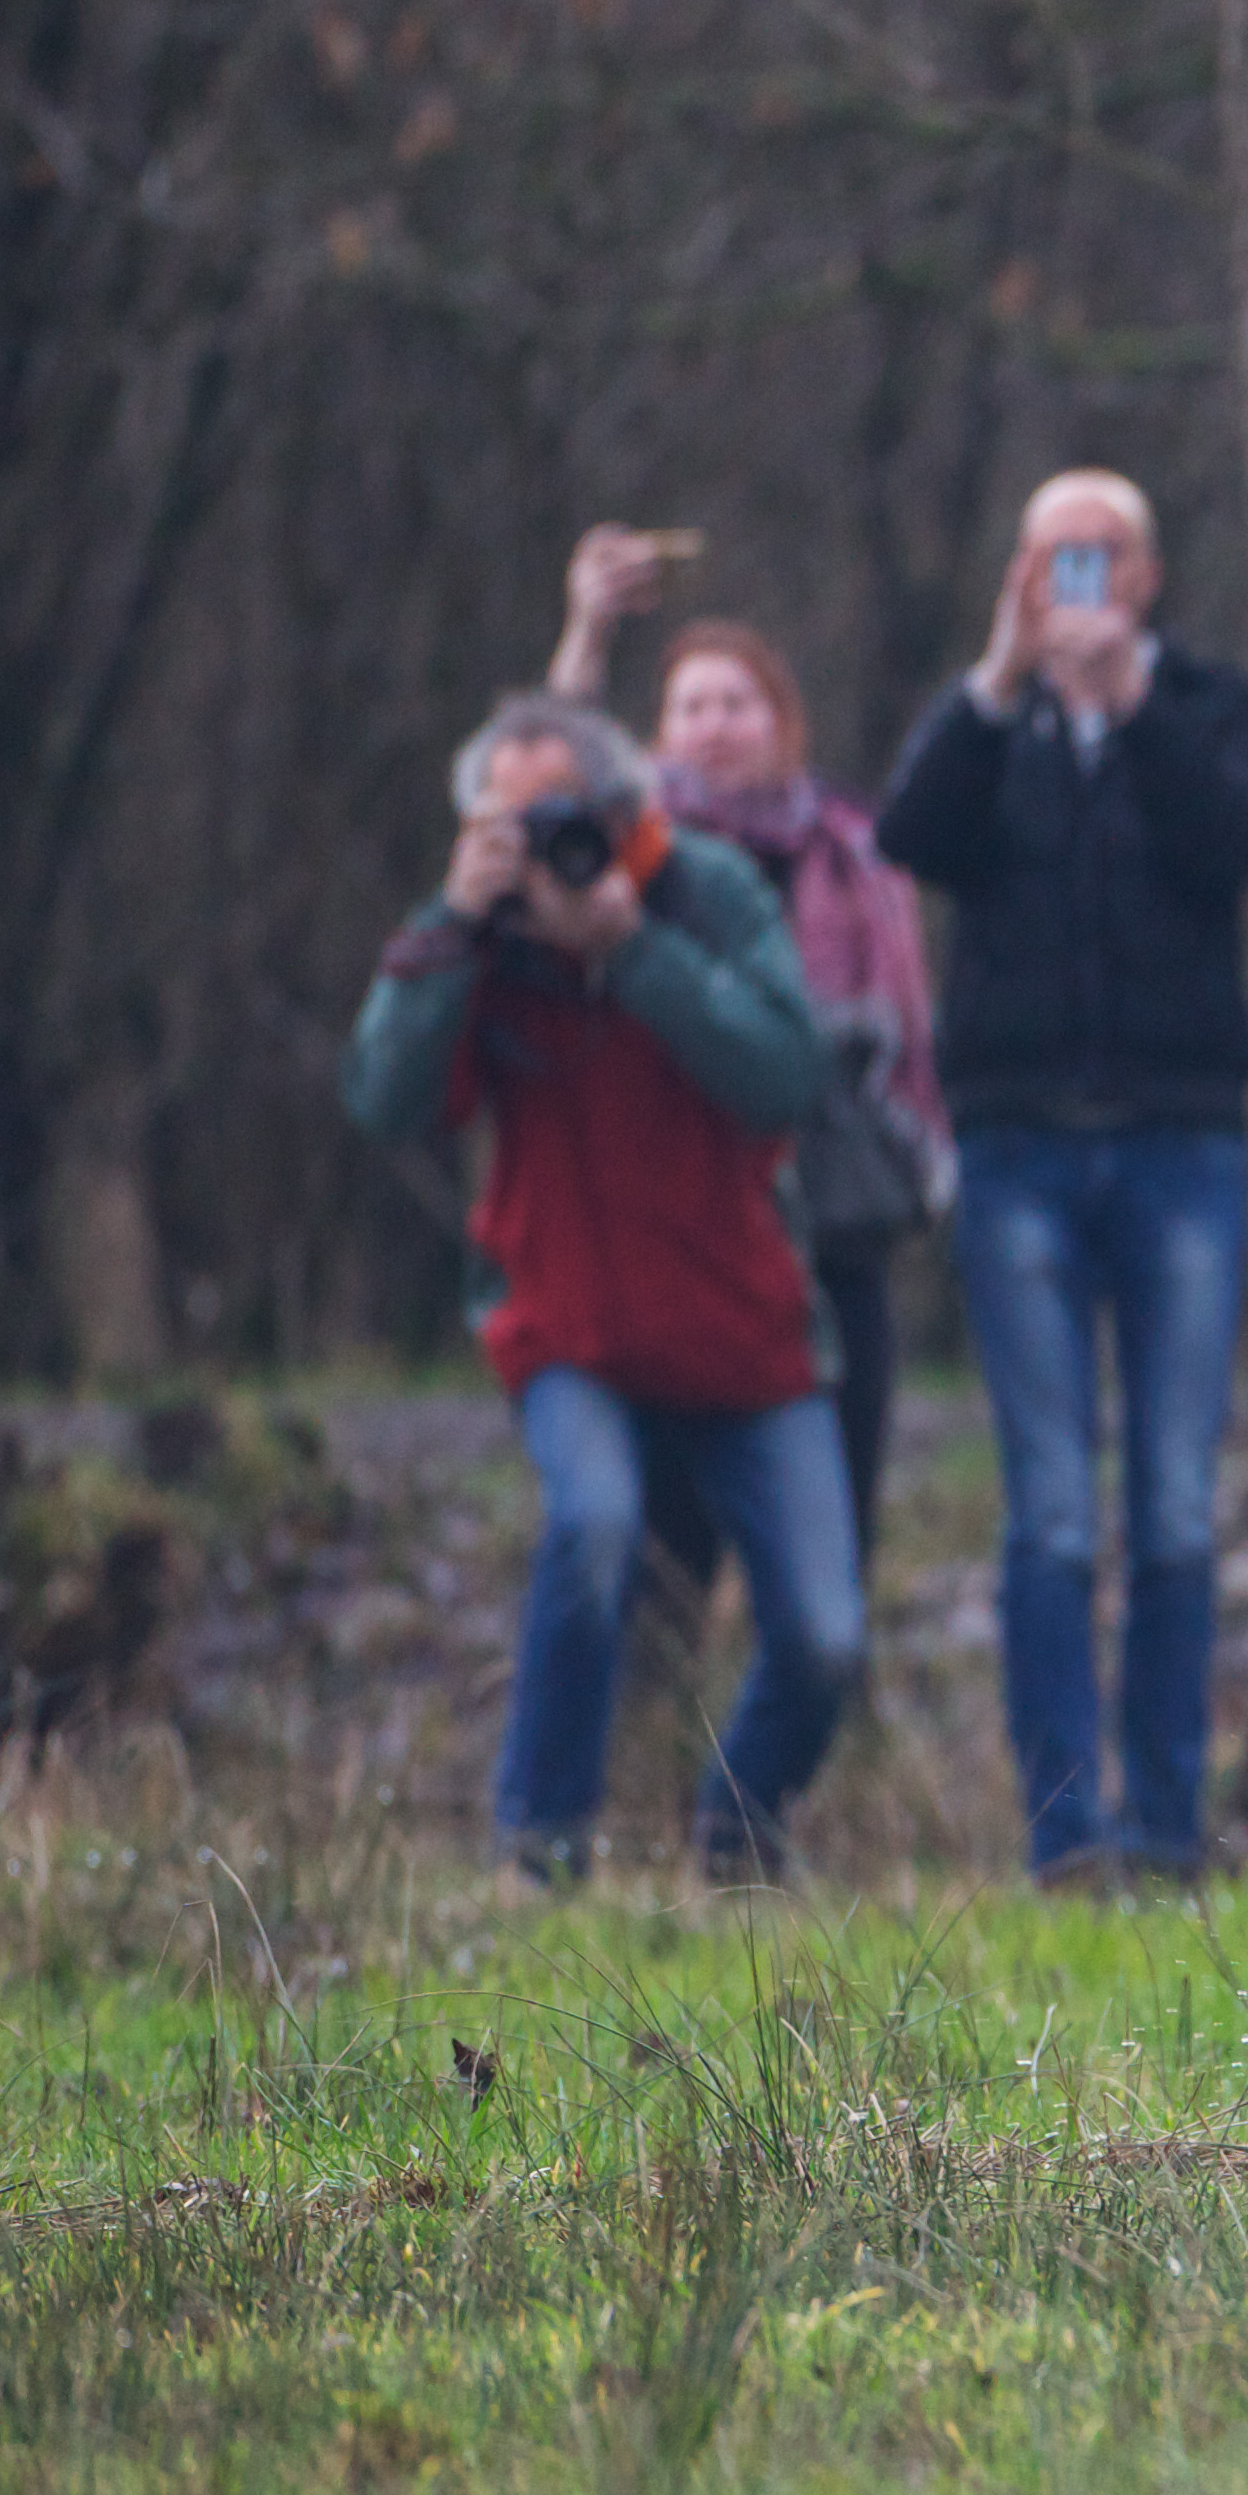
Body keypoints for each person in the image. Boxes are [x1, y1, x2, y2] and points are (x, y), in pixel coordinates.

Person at [342, 692, 861, 1884]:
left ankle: (735, 1838)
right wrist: (453, 922)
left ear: (620, 809)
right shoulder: (474, 931)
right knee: (592, 1527)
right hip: (565, 1327)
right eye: (506, 826)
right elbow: (382, 1100)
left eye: (555, 821)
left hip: (744, 1334)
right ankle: (541, 1850)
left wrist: (631, 952)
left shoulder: (703, 892)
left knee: (824, 1636)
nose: (540, 852)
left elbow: (784, 1076)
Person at [873, 469, 1248, 1883]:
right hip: (1019, 1151)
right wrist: (1001, 685)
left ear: (1150, 575)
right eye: (1054, 558)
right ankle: (1066, 1836)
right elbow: (911, 838)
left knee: (1175, 1503)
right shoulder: (992, 725)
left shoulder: (1219, 712)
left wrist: (1127, 710)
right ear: (1017, 575)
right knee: (1050, 1509)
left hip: (1182, 1142)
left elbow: (1234, 849)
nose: (1080, 586)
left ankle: (1169, 1830)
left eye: (1102, 557)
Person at [550, 528, 950, 1569]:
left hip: (831, 1219)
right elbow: (553, 771)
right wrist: (588, 628)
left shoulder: (853, 851)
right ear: (659, 730)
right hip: (676, 1209)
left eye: (737, 704)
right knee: (671, 1523)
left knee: (843, 1497)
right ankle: (668, 1712)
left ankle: (832, 1702)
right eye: (692, 706)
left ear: (782, 722)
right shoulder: (631, 855)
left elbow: (903, 1024)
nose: (715, 726)